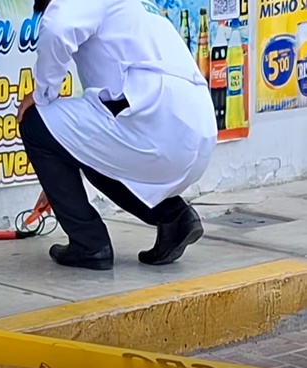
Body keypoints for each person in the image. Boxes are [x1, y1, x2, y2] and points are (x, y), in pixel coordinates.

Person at [17, 0, 217, 270]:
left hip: (155, 124)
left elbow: (57, 28)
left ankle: (89, 244)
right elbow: (91, 138)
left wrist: (42, 93)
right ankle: (174, 217)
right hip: (193, 131)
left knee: (33, 121)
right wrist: (58, 178)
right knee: (93, 158)